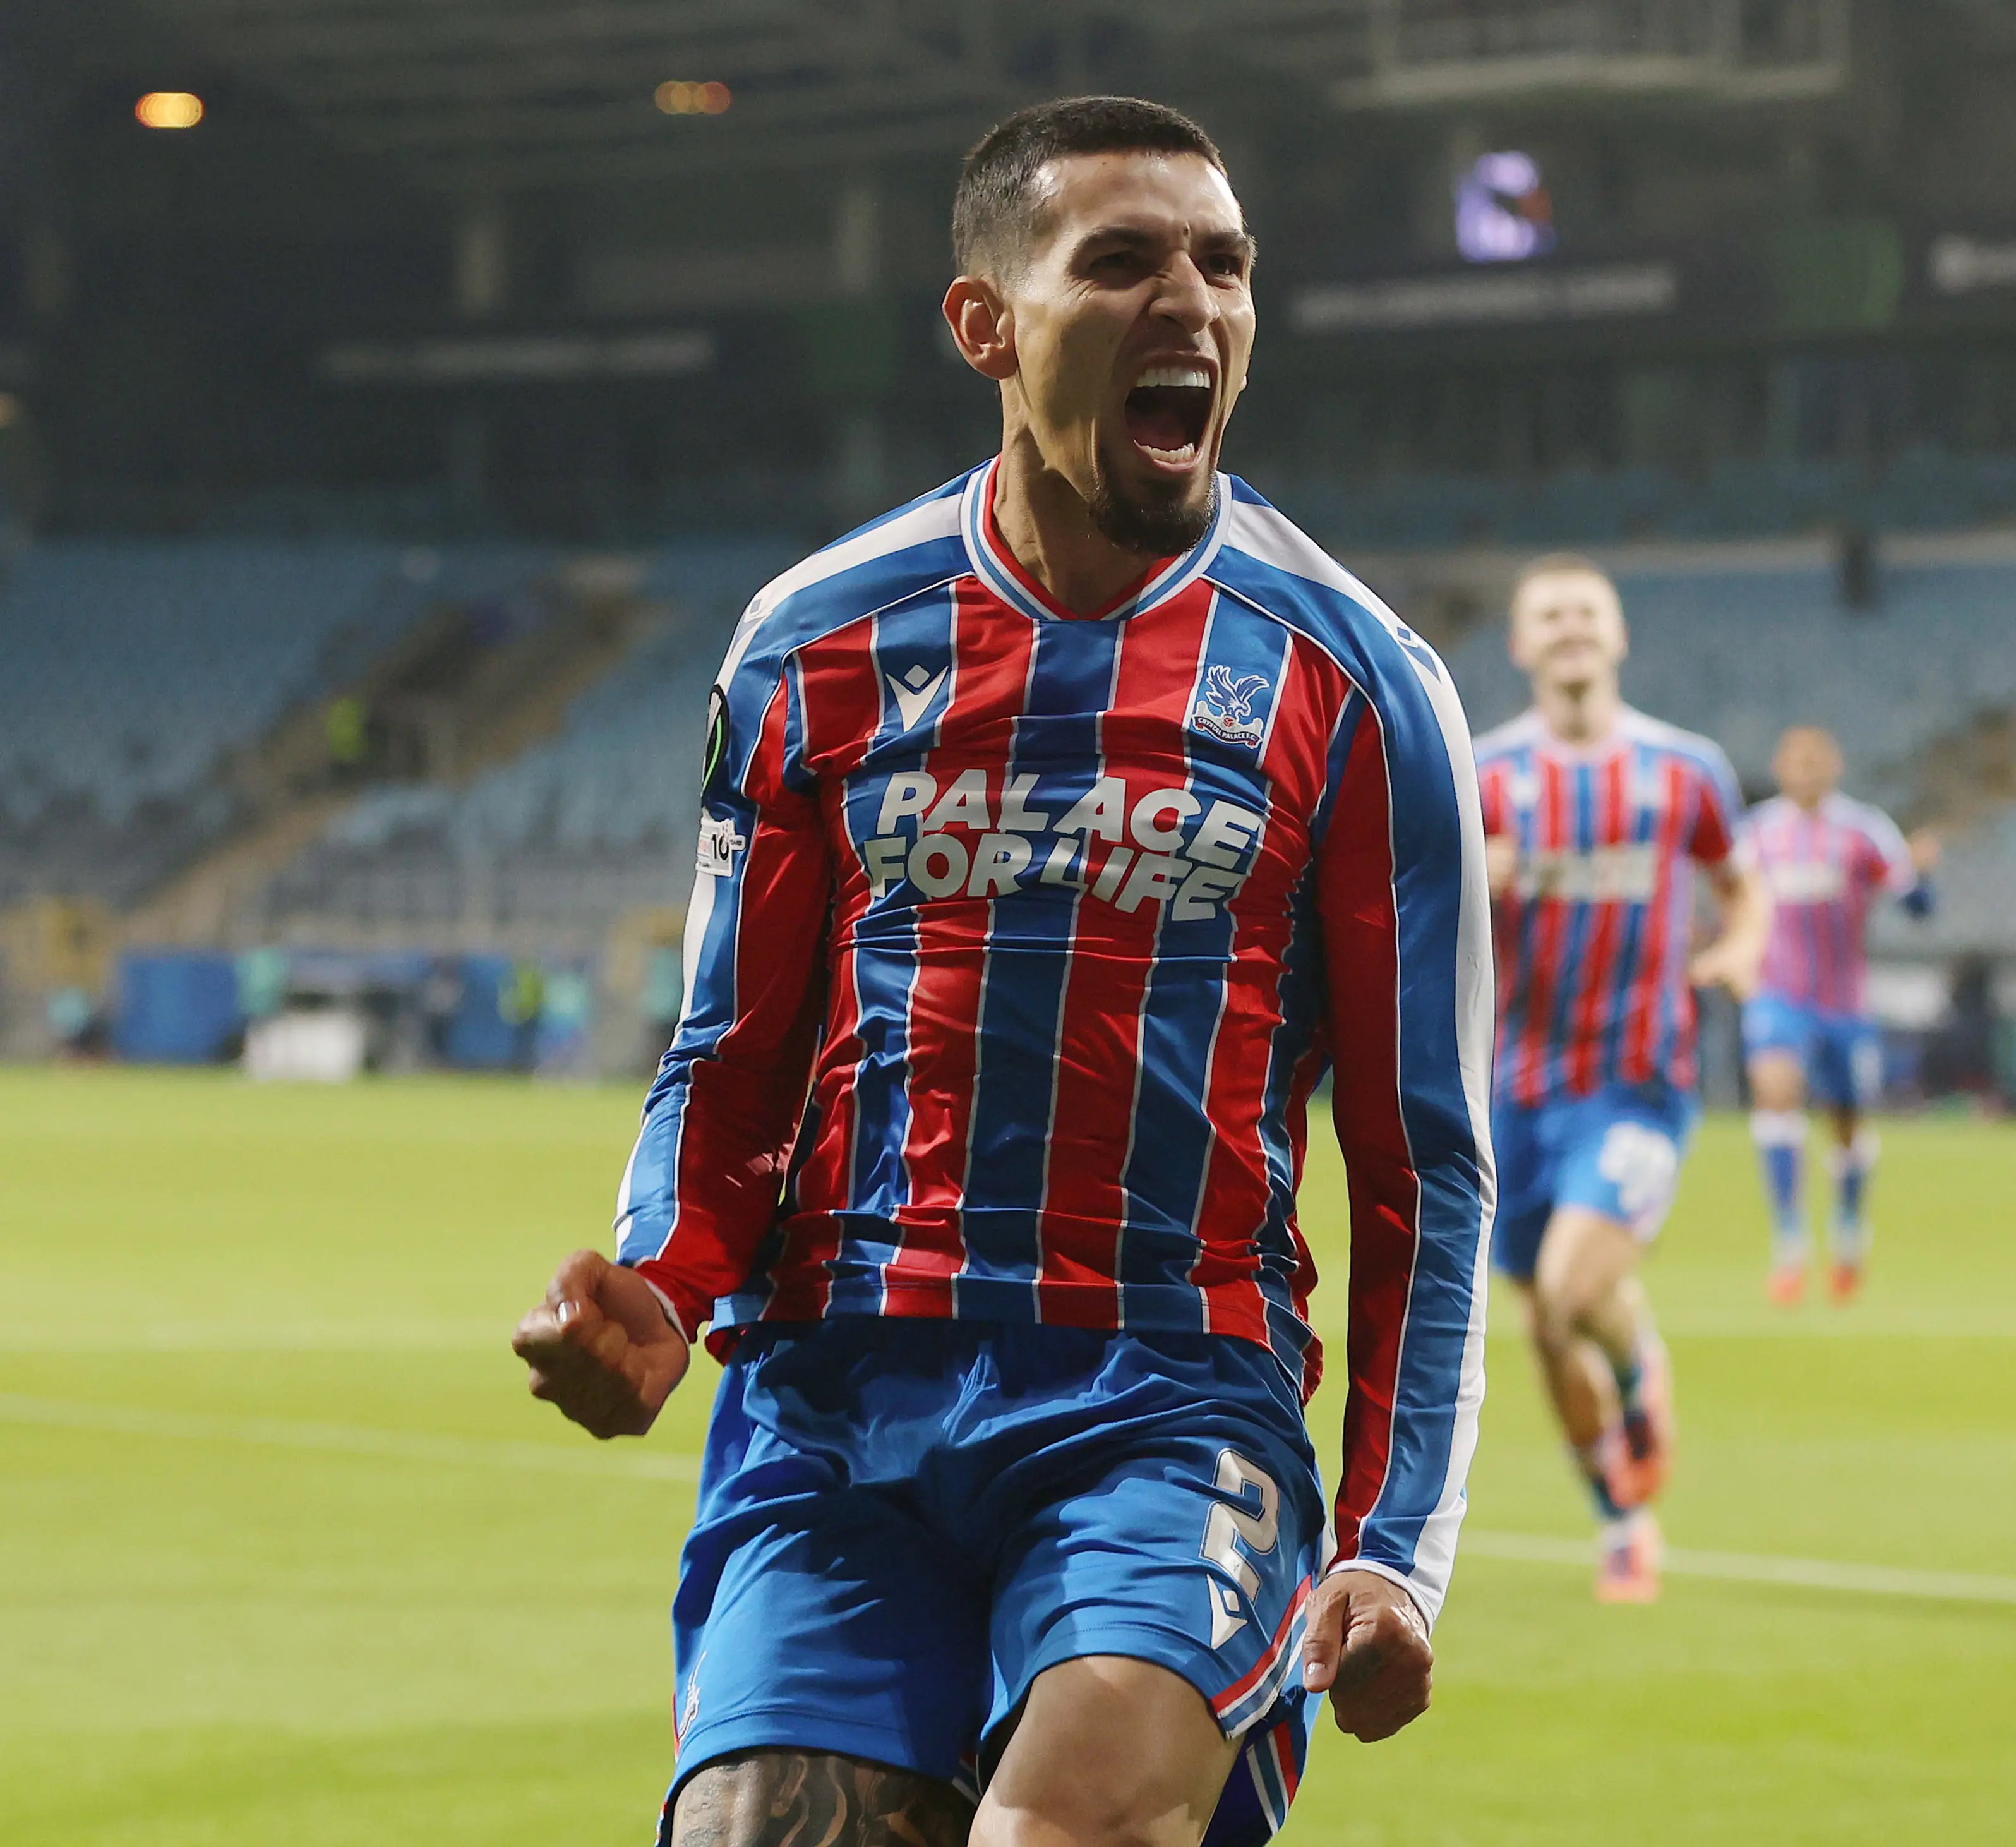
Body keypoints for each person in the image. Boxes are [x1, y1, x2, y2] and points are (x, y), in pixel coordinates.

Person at [510, 97, 1492, 1847]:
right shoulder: (815, 639)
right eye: (1122, 260)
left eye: (1225, 265)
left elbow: (1424, 1154)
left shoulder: (1357, 681)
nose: (1191, 299)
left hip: (1174, 1395)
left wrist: (1393, 1543)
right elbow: (732, 1057)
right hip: (840, 1386)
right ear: (988, 325)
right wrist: (662, 1283)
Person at [1472, 555, 1770, 1603]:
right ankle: (1621, 1517)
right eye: (1547, 614)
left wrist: (1737, 949)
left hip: (1639, 1081)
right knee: (1546, 1321)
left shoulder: (1686, 771)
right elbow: (1418, 912)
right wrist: (1473, 878)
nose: (1568, 629)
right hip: (1512, 1094)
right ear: (1521, 644)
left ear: (1618, 634)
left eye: (1584, 613)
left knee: (1568, 1285)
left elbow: (1745, 887)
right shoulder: (1485, 776)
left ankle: (1642, 1373)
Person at [1739, 726, 1938, 1306]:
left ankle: (1849, 1226)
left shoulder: (1864, 831)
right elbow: (1729, 897)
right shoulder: (1755, 835)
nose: (1805, 770)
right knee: (1775, 1092)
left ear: (1834, 766)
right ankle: (1789, 1238)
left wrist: (1921, 875)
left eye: (1815, 760)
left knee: (1846, 1123)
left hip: (1845, 1004)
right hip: (1778, 996)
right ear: (1780, 768)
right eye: (1795, 760)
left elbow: (1917, 907)